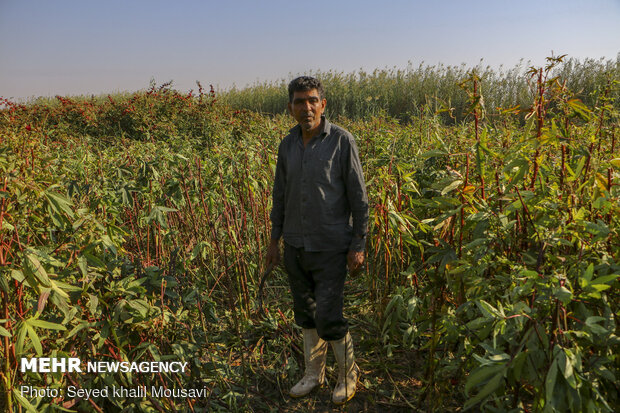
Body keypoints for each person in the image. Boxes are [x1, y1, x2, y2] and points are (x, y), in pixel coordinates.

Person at [265, 76, 369, 405]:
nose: (306, 107)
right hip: (296, 245)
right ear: (290, 107)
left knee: (329, 314)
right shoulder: (287, 145)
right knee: (305, 314)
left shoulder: (341, 141)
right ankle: (314, 373)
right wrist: (274, 241)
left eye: (312, 100)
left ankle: (348, 375)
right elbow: (279, 195)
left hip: (330, 245)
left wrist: (358, 243)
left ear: (323, 104)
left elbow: (359, 198)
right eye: (299, 101)